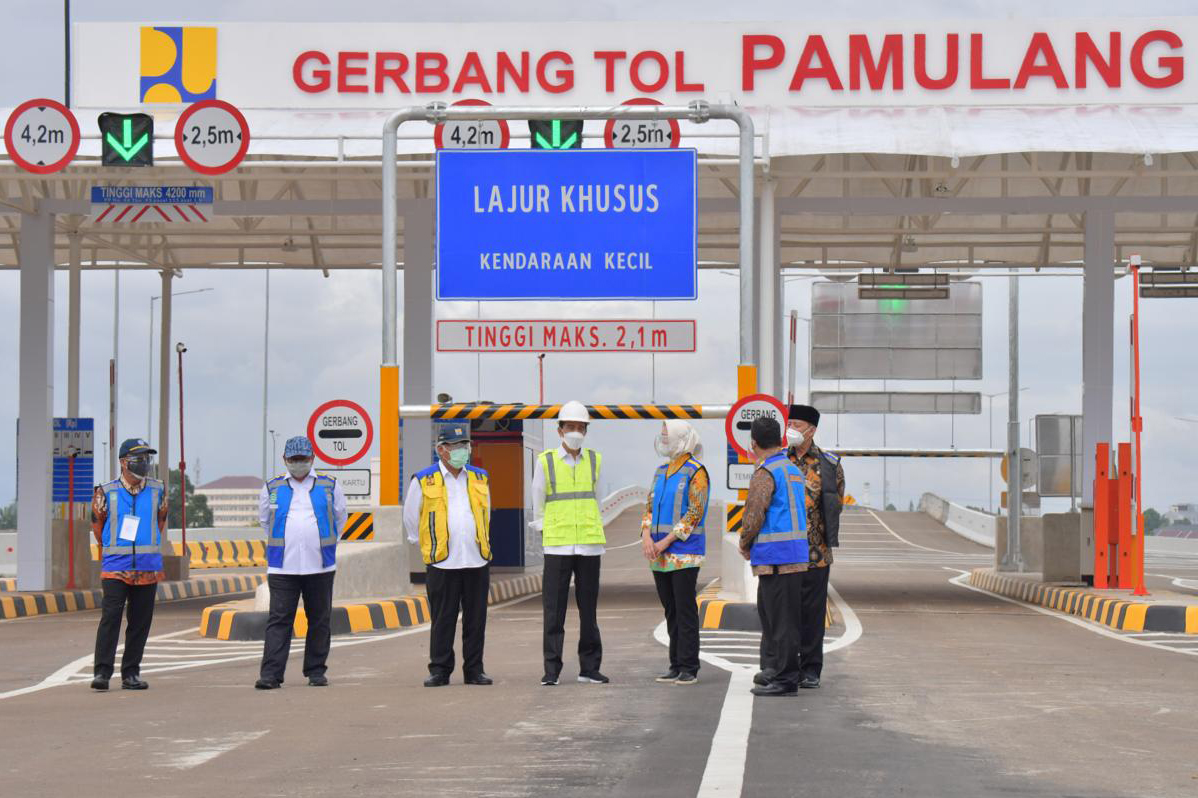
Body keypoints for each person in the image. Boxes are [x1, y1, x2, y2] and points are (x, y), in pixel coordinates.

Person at [403, 424, 493, 687]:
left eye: (465, 445)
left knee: (476, 620)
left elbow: (486, 513)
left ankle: (474, 670)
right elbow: (411, 517)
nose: (462, 451)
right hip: (443, 560)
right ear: (441, 450)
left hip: (476, 558)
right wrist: (425, 544)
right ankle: (440, 670)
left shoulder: (480, 477)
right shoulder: (423, 479)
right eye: (456, 446)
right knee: (443, 619)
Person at [255, 436, 347, 689]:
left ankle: (316, 671)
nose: (298, 464)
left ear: (312, 459)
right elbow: (265, 521)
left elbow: (340, 518)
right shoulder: (272, 487)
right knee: (279, 620)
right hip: (282, 566)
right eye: (294, 460)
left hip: (320, 565)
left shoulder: (329, 485)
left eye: (303, 459)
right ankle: (271, 675)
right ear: (285, 460)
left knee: (319, 619)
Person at [531, 400, 608, 686]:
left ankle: (590, 668)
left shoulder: (595, 460)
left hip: (588, 545)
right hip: (558, 546)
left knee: (589, 611)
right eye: (571, 427)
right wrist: (546, 531)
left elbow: (597, 501)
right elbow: (538, 501)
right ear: (560, 430)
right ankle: (551, 670)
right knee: (554, 612)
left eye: (580, 427)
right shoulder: (546, 461)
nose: (576, 431)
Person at [738, 417, 809, 697]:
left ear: (753, 442)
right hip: (792, 555)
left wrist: (745, 542)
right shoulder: (792, 469)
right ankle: (774, 669)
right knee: (777, 619)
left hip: (777, 558)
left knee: (781, 623)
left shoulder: (765, 472)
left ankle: (786, 678)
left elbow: (755, 513)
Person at [90, 438, 168, 691]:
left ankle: (131, 673)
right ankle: (102, 672)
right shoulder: (105, 491)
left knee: (140, 622)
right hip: (116, 567)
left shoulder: (159, 490)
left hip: (147, 567)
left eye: (147, 459)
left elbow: (160, 522)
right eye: (139, 459)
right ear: (124, 462)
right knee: (110, 618)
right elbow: (98, 528)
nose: (145, 464)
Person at [641, 420, 708, 686]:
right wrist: (646, 537)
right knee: (670, 610)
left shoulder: (696, 472)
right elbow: (648, 508)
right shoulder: (660, 472)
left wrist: (665, 541)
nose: (663, 439)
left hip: (684, 552)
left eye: (667, 435)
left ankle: (689, 665)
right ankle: (675, 663)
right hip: (658, 554)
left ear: (682, 439)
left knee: (685, 610)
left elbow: (694, 513)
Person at [785, 404, 845, 689]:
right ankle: (786, 667)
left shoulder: (829, 465)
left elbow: (836, 504)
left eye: (796, 424)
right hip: (783, 553)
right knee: (786, 614)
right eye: (789, 423)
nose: (791, 430)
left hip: (816, 553)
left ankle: (810, 669)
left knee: (812, 613)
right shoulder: (778, 460)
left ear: (811, 430)